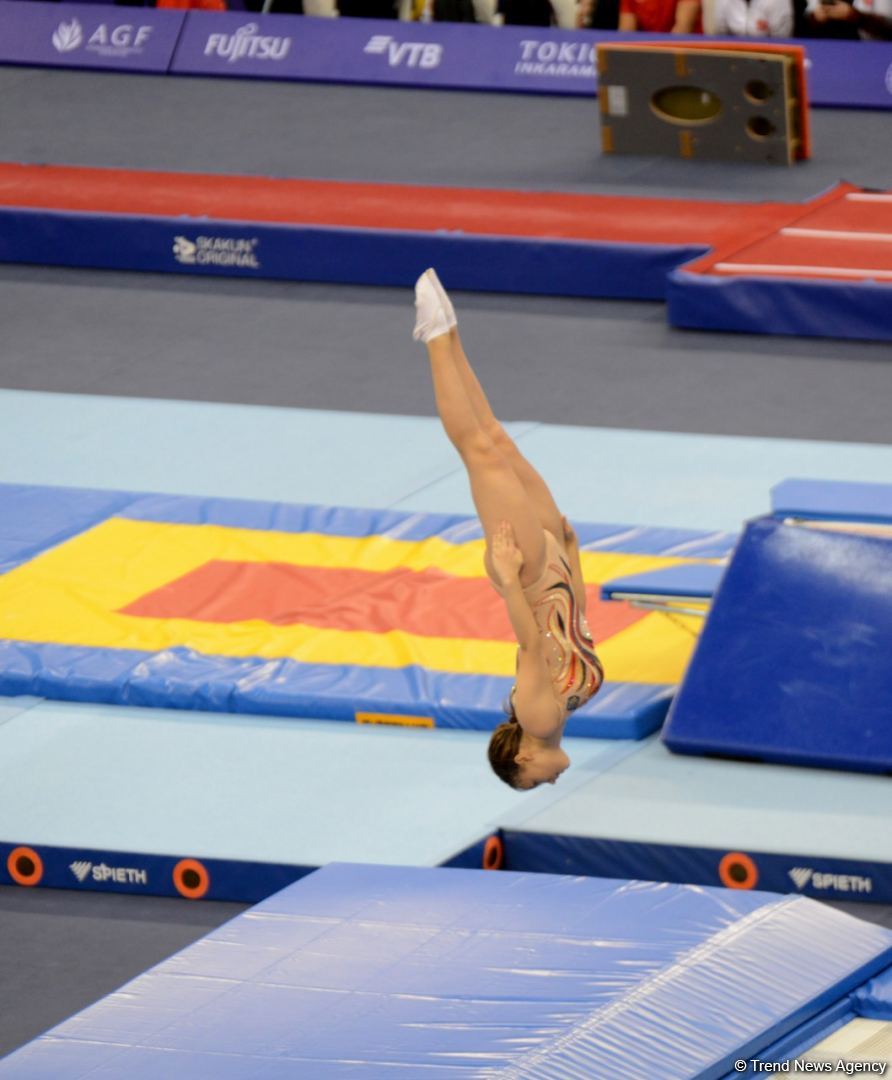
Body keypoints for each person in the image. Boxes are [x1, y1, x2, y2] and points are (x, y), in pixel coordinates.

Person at [413, 269, 604, 790]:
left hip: (529, 574)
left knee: (480, 453)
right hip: (555, 567)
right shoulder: (566, 711)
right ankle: (448, 330)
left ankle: (433, 338)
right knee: (497, 439)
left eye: (536, 782)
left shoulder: (539, 720)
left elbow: (529, 643)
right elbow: (578, 625)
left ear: (521, 760)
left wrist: (508, 575)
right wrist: (572, 552)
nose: (551, 781)